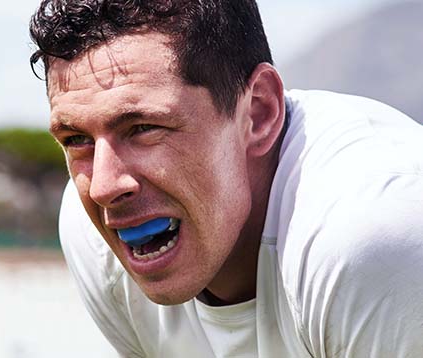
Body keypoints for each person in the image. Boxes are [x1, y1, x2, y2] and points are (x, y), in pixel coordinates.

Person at [29, 1, 423, 356]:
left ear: (257, 113)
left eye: (144, 127)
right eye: (77, 139)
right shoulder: (93, 240)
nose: (104, 187)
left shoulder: (368, 231)